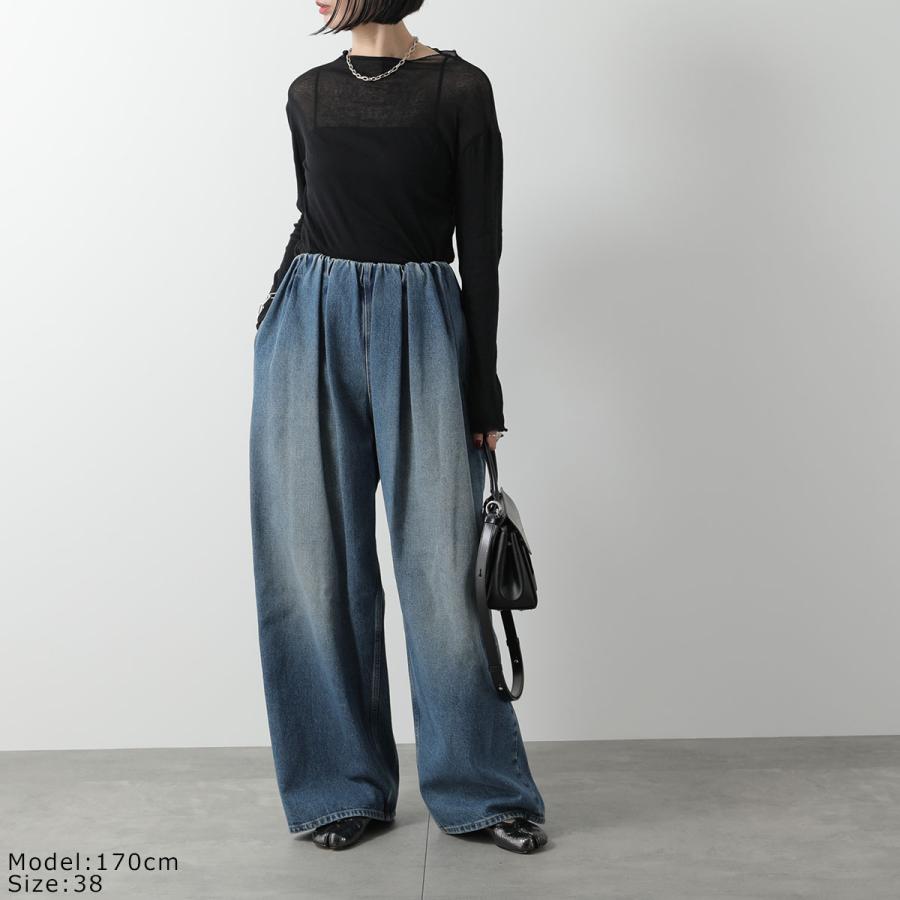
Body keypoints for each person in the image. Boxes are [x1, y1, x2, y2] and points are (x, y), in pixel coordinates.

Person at [249, 0, 548, 854]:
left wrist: (483, 394)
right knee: (312, 569)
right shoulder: (307, 93)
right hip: (308, 329)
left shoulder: (460, 89)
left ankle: (481, 790)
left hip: (423, 324)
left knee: (445, 572)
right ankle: (338, 789)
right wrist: (272, 312)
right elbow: (311, 211)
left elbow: (480, 247)